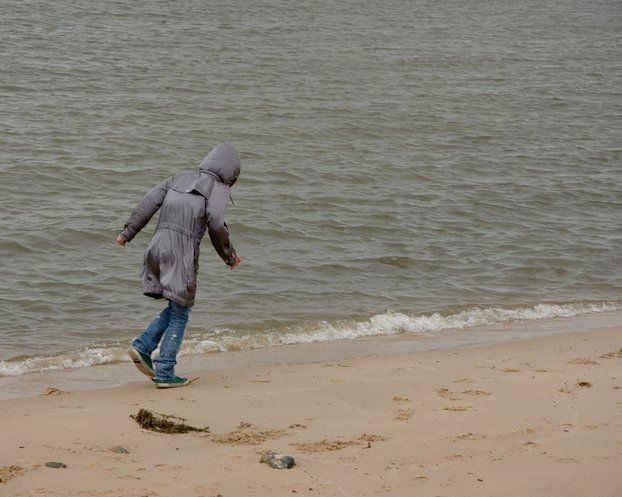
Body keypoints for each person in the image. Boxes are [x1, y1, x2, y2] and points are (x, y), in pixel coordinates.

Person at [116, 142, 242, 388]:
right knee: (182, 310)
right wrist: (230, 256)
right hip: (181, 251)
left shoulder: (178, 178)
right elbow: (216, 223)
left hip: (157, 245)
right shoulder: (217, 188)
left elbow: (148, 202)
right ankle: (164, 371)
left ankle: (143, 347)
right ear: (231, 173)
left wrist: (127, 232)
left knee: (176, 305)